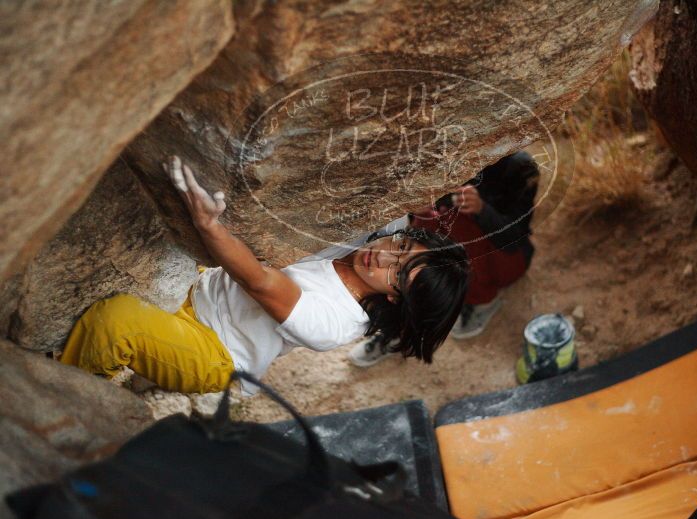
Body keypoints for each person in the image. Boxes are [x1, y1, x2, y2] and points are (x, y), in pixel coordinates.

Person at [60, 156, 469, 395]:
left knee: (115, 322)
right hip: (199, 288)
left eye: (397, 275)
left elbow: (259, 281)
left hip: (213, 351)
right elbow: (392, 181)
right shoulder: (377, 236)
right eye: (399, 247)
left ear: (396, 298)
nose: (382, 257)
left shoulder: (335, 323)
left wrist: (208, 225)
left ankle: (67, 394)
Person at [349, 151, 538, 367]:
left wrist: (483, 210)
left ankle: (483, 301)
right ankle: (399, 327)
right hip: (458, 238)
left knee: (454, 238)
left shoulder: (521, 167)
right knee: (425, 228)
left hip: (505, 259)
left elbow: (515, 239)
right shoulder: (455, 149)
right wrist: (417, 208)